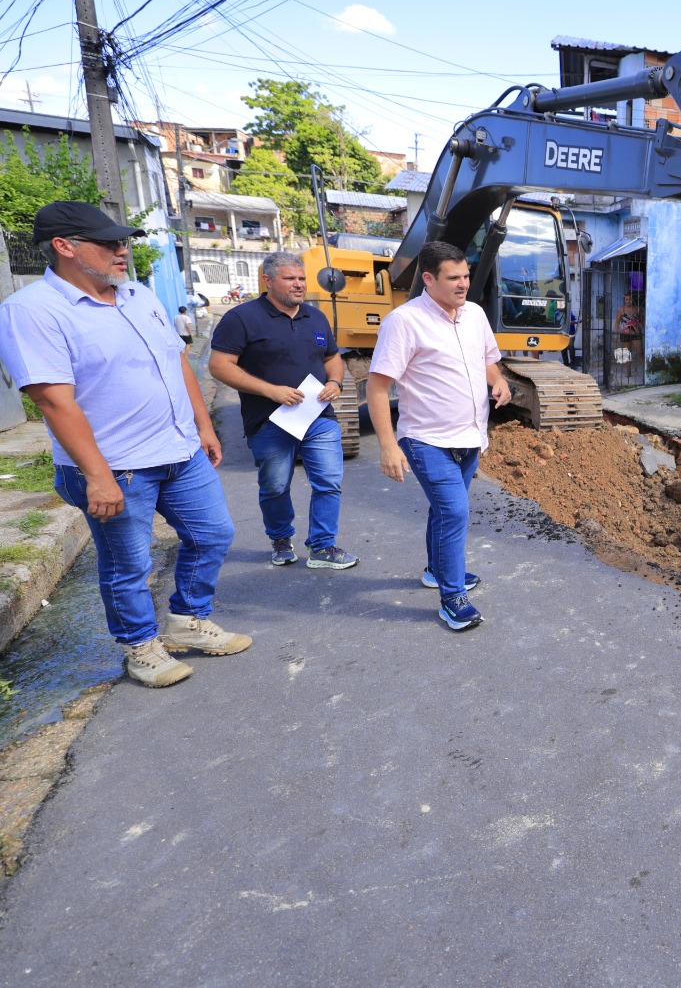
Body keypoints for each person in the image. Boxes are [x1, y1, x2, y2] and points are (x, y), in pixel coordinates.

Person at [0, 201, 246, 689]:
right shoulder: (31, 312)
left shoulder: (139, 296)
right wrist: (97, 475)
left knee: (213, 535)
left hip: (180, 452)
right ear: (64, 247)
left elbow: (177, 363)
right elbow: (53, 402)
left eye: (123, 241)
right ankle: (140, 646)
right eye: (108, 243)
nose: (122, 250)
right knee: (129, 563)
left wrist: (203, 426)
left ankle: (186, 621)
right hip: (118, 466)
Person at [368, 242, 511, 632]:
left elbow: (488, 363)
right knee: (454, 511)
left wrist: (500, 383)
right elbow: (377, 387)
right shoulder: (405, 321)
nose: (464, 284)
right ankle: (452, 598)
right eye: (454, 278)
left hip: (469, 439)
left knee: (445, 509)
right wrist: (387, 446)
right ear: (428, 279)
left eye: (466, 276)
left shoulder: (475, 315)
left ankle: (436, 569)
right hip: (426, 440)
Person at [208, 252, 357, 571]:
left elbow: (332, 358)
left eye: (302, 278)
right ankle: (279, 538)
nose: (299, 284)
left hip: (318, 417)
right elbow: (220, 366)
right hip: (268, 422)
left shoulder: (315, 317)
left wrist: (335, 382)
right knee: (275, 486)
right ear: (268, 281)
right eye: (290, 279)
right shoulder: (241, 318)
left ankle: (322, 546)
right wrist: (270, 391)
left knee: (329, 481)